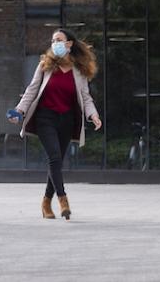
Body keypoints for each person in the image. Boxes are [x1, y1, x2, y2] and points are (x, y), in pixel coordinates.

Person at [10, 28, 101, 220]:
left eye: (59, 40)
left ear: (69, 44)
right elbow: (32, 90)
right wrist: (20, 110)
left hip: (66, 120)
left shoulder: (78, 70)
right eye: (53, 41)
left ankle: (45, 202)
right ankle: (62, 199)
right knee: (54, 157)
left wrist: (93, 115)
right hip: (45, 118)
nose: (55, 44)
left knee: (57, 161)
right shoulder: (45, 65)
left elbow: (85, 97)